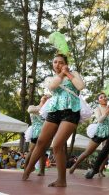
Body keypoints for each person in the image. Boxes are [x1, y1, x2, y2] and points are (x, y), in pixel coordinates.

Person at [22, 53, 85, 187]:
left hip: (71, 111)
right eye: (55, 62)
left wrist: (68, 73)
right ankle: (29, 168)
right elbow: (52, 87)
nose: (57, 64)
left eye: (60, 62)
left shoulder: (74, 73)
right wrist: (61, 74)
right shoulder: (50, 78)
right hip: (54, 111)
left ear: (66, 63)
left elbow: (80, 86)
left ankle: (62, 180)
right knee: (40, 141)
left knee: (56, 145)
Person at [69, 92, 109, 176]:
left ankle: (100, 170)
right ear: (98, 100)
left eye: (105, 97)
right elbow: (99, 120)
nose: (104, 98)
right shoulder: (98, 108)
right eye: (101, 97)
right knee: (88, 152)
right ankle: (74, 166)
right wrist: (106, 113)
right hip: (99, 132)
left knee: (106, 152)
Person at [24, 95, 49, 176]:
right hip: (36, 131)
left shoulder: (49, 109)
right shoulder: (32, 107)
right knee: (31, 150)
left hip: (46, 131)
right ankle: (26, 168)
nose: (46, 96)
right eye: (44, 96)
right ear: (41, 98)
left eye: (48, 97)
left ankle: (42, 171)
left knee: (43, 151)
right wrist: (43, 108)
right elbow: (30, 110)